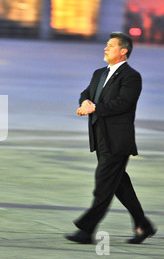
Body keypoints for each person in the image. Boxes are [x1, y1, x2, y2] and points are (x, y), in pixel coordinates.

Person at [66, 32, 156, 244]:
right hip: (100, 139)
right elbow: (86, 93)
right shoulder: (99, 73)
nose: (105, 48)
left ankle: (86, 230)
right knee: (119, 185)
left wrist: (95, 107)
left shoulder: (131, 77)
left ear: (123, 51)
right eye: (106, 45)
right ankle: (143, 225)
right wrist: (86, 102)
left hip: (117, 141)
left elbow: (123, 104)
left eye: (110, 46)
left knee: (104, 185)